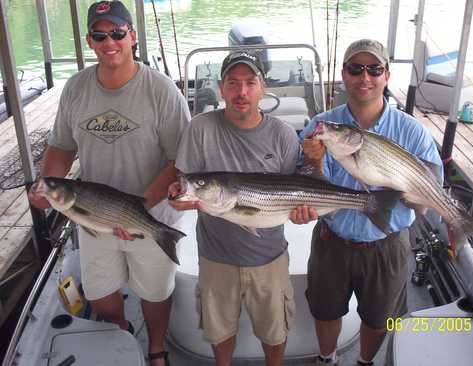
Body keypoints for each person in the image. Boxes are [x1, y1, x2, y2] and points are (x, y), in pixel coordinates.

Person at [28, 1, 190, 365]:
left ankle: (156, 348)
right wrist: (44, 185)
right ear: (89, 41)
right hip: (91, 215)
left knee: (155, 291)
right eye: (100, 35)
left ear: (132, 35)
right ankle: (118, 334)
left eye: (118, 33)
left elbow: (180, 158)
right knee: (101, 291)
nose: (109, 41)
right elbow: (61, 145)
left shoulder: (162, 91)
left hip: (152, 215)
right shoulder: (75, 88)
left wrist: (138, 210)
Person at [297, 39, 443, 365]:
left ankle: (365, 362)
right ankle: (327, 358)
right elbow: (302, 184)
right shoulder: (322, 125)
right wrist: (315, 164)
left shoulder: (412, 131)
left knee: (379, 318)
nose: (365, 77)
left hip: (386, 245)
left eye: (374, 69)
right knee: (324, 309)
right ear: (344, 74)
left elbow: (433, 186)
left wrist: (411, 189)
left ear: (386, 75)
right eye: (355, 68)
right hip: (331, 239)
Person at [168, 51, 313, 366]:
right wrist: (179, 195)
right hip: (215, 256)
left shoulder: (284, 135)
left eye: (250, 82)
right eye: (233, 83)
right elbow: (182, 188)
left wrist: (303, 213)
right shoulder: (200, 129)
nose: (241, 92)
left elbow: (296, 189)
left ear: (262, 88)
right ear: (221, 89)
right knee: (219, 332)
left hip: (270, 257)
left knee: (275, 332)